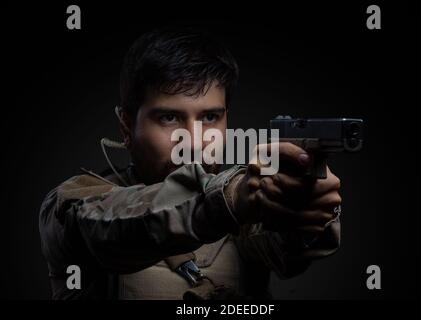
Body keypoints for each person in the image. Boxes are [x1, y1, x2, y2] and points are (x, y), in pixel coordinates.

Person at [39, 27, 342, 300]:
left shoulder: (247, 206)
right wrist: (232, 199)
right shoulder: (74, 204)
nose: (194, 142)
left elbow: (286, 251)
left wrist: (305, 206)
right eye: (169, 118)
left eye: (210, 117)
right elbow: (118, 226)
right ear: (126, 127)